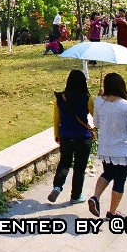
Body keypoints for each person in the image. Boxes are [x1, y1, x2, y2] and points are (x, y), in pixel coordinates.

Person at [88, 73, 127, 219]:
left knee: (107, 173)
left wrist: (100, 98)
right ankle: (112, 212)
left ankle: (95, 197)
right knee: (120, 180)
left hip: (106, 147)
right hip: (122, 148)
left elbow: (96, 123)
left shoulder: (99, 102)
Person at [48, 69, 94, 204]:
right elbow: (96, 116)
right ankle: (76, 195)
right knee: (79, 168)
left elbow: (56, 118)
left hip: (66, 137)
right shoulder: (87, 98)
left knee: (64, 163)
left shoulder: (60, 98)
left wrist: (57, 134)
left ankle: (57, 186)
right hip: (82, 138)